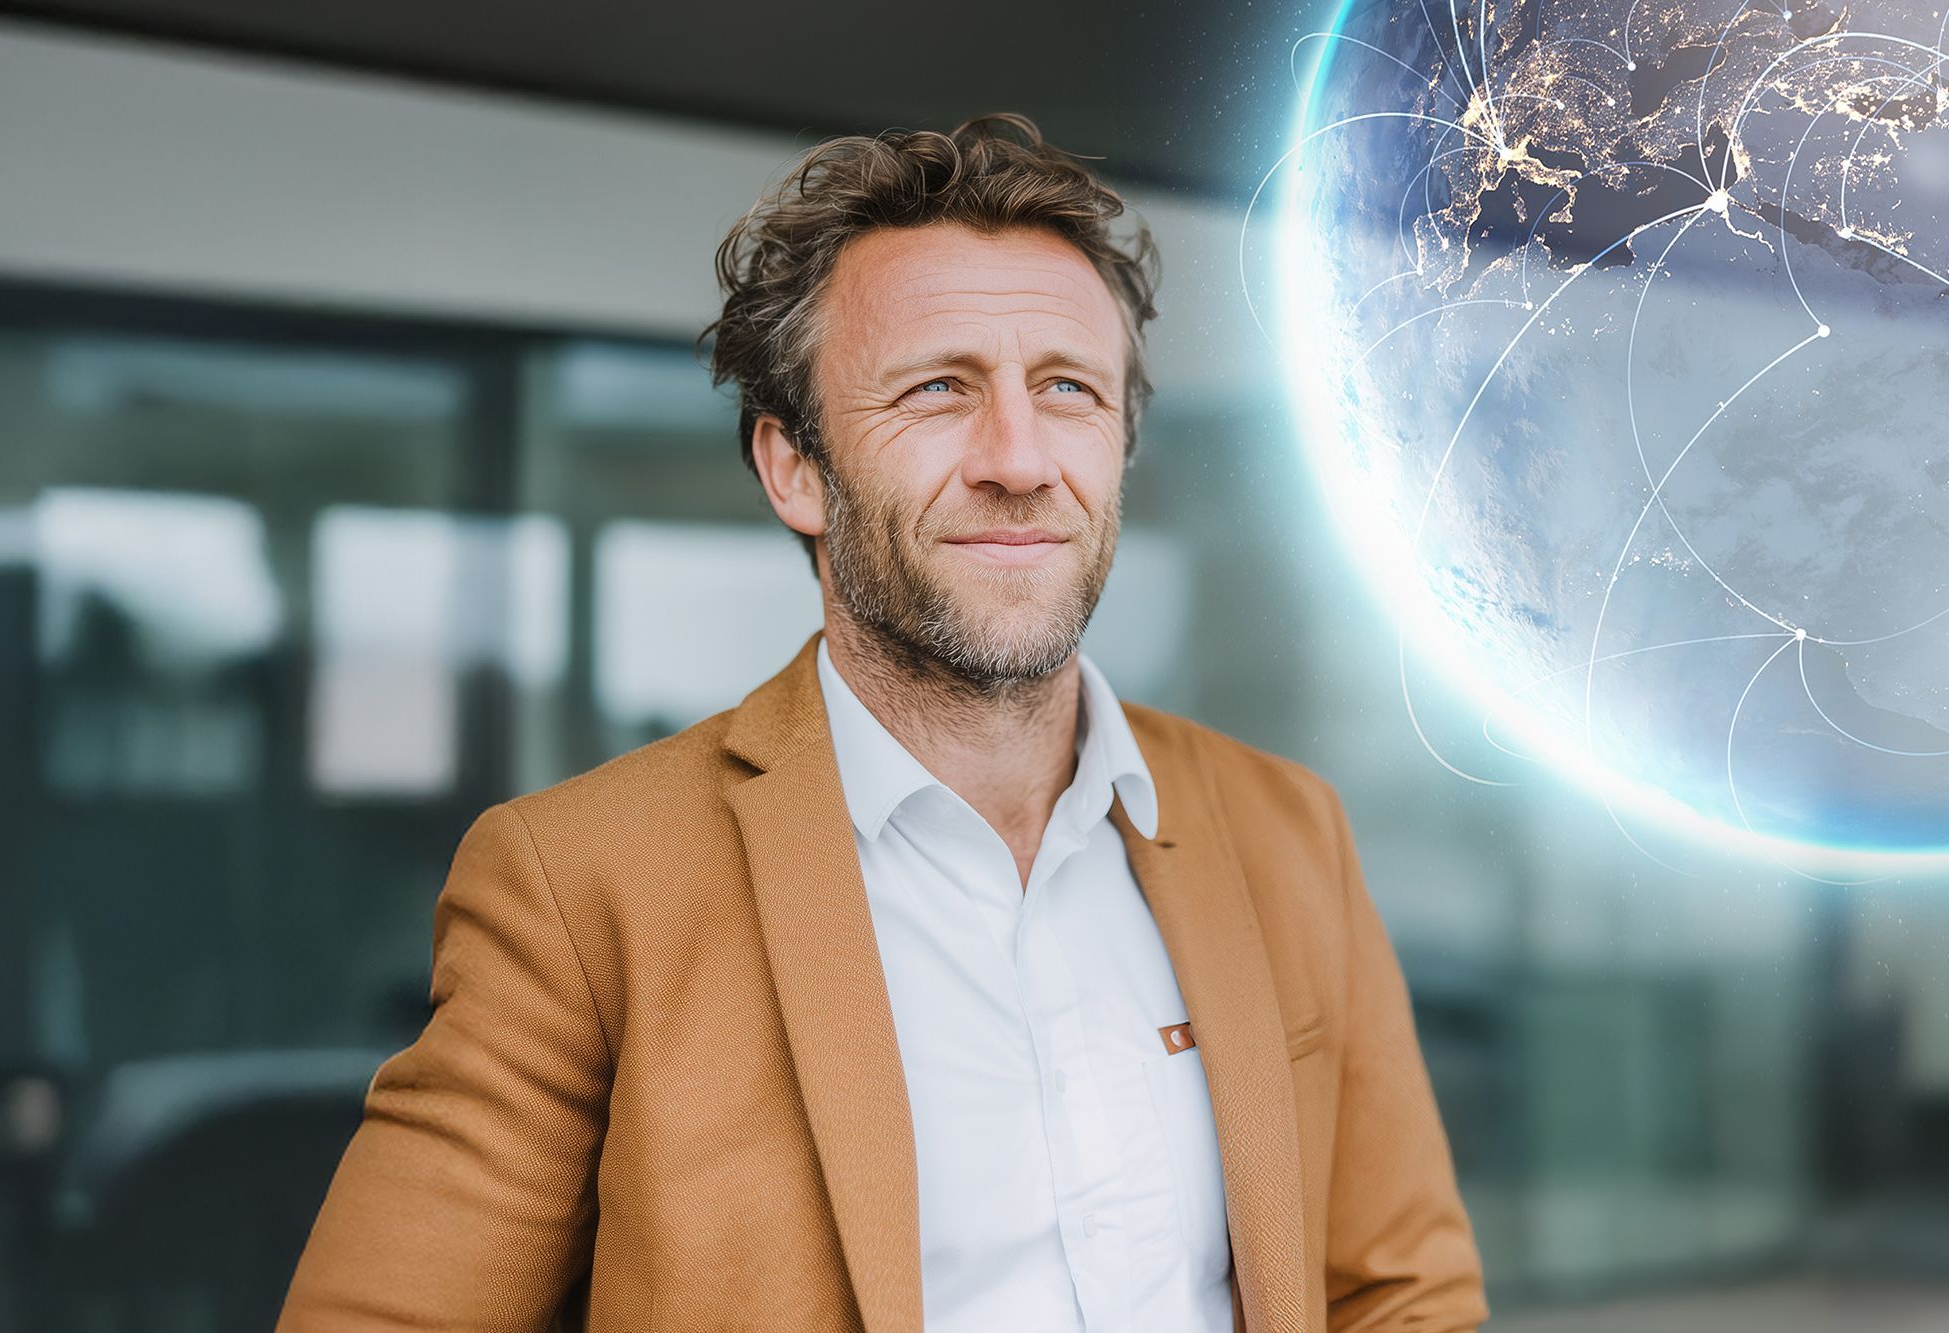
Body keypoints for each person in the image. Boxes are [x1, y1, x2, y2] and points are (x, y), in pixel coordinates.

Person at [277, 114, 1484, 1332]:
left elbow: (1399, 1292)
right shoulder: (581, 888)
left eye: (1066, 388)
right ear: (794, 467)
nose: (1019, 458)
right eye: (936, 389)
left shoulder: (1289, 831)